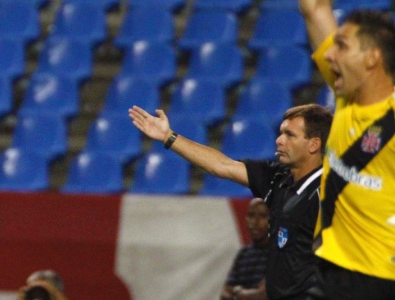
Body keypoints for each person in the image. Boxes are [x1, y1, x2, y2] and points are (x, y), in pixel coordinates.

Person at [129, 103, 332, 299]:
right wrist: (168, 136)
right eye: (281, 133)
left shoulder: (329, 193)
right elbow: (222, 165)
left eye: (290, 135)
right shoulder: (278, 179)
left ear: (314, 144)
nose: (279, 140)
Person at [299, 1, 395, 298]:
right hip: (330, 270)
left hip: (380, 279)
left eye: (341, 45)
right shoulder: (346, 97)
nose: (329, 54)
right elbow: (314, 8)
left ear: (372, 58)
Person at [221, 198, 269, 300]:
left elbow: (264, 295)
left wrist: (237, 291)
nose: (255, 222)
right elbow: (225, 293)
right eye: (251, 216)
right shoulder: (244, 254)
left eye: (262, 216)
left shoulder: (281, 254)